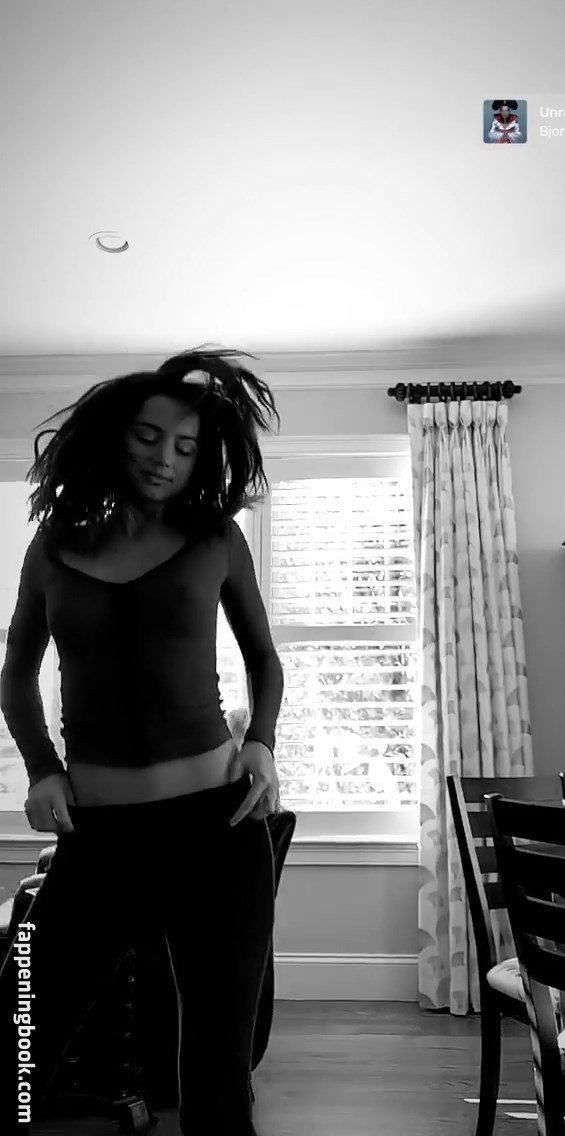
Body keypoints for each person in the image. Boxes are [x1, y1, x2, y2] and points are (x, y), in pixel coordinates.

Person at [0, 346, 285, 1135]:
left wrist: (261, 741)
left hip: (216, 831)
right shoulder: (53, 546)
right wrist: (40, 768)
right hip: (99, 837)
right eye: (149, 437)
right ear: (114, 437)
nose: (167, 458)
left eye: (186, 447)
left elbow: (264, 659)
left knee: (216, 1075)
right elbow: (16, 669)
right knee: (19, 1033)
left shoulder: (216, 538)